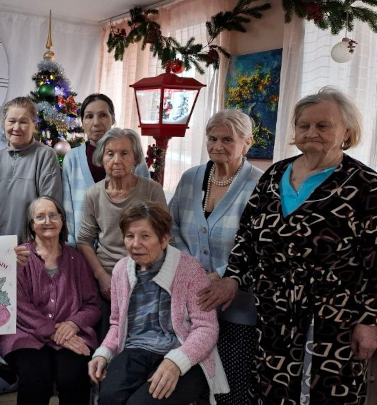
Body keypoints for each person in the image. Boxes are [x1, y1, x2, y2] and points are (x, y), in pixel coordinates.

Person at [201, 87, 377, 404]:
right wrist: (233, 278)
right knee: (272, 391)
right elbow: (247, 236)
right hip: (273, 316)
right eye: (303, 125)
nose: (311, 132)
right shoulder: (275, 174)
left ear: (347, 132)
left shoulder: (366, 185)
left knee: (325, 394)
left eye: (323, 125)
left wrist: (369, 321)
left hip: (333, 322)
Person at [88, 201, 228, 404]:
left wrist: (176, 362)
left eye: (145, 236)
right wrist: (104, 353)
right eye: (129, 236)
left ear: (164, 240)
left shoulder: (190, 269)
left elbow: (206, 328)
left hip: (183, 351)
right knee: (109, 398)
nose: (135, 244)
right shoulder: (121, 270)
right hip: (136, 349)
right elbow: (117, 323)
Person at [168, 109, 263, 405]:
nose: (217, 146)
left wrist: (222, 274)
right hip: (190, 304)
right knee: (191, 384)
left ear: (247, 143)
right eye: (212, 138)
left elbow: (260, 244)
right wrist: (194, 273)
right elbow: (170, 228)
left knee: (231, 389)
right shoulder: (190, 178)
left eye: (227, 139)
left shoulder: (261, 184)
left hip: (238, 307)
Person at [0, 196, 100, 404]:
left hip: (70, 333)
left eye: (54, 215)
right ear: (31, 224)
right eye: (40, 217)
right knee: (36, 378)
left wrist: (73, 323)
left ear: (62, 220)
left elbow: (92, 305)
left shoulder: (77, 259)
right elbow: (17, 305)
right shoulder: (20, 258)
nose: (48, 221)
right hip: (26, 334)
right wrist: (52, 331)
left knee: (73, 377)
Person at [76, 128, 166, 337]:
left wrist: (145, 275)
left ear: (135, 158)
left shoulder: (152, 190)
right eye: (110, 153)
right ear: (102, 158)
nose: (117, 160)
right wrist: (101, 277)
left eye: (124, 153)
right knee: (105, 336)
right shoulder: (93, 194)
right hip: (106, 275)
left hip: (145, 274)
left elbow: (164, 238)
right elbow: (84, 240)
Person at [62, 94, 149, 246]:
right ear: (82, 122)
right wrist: (70, 246)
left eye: (103, 115)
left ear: (113, 119)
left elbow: (147, 205)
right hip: (82, 248)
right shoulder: (72, 159)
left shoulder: (133, 158)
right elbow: (67, 207)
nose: (96, 123)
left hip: (125, 248)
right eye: (89, 116)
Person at [0, 97, 62, 243]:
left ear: (34, 123)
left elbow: (50, 206)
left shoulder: (45, 155)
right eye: (11, 121)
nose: (16, 127)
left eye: (23, 122)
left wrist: (37, 247)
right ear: (4, 123)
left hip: (32, 247)